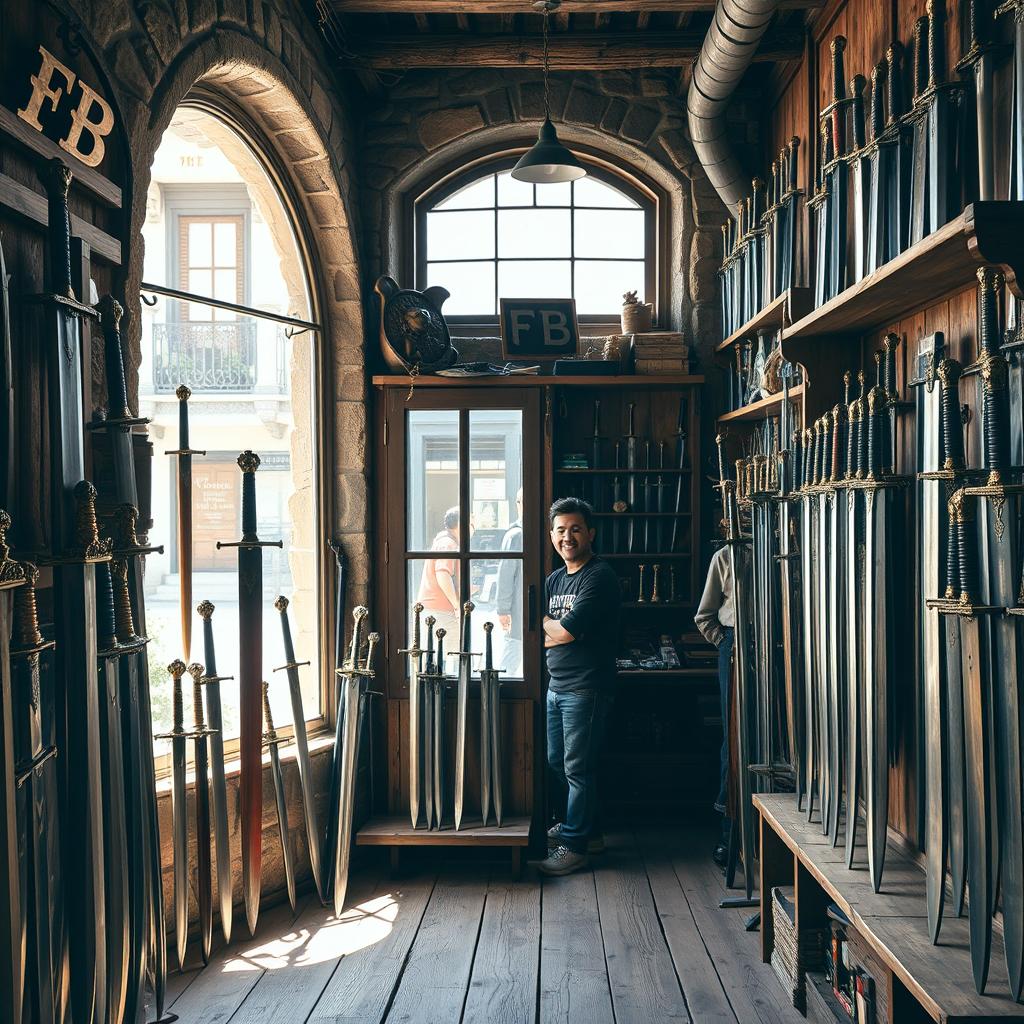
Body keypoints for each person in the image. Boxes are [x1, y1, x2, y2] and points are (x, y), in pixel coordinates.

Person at [539, 496, 620, 876]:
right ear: (552, 536)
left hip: (586, 688)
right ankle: (591, 834)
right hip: (557, 685)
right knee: (560, 763)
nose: (566, 537)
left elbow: (567, 631)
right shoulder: (556, 578)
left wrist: (556, 629)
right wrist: (557, 630)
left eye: (574, 529)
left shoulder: (599, 575)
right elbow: (542, 631)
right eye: (560, 530)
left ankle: (574, 846)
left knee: (578, 769)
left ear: (590, 533)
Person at [694, 537, 737, 868]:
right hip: (736, 643)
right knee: (734, 738)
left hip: (784, 643)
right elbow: (705, 615)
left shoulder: (794, 546)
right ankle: (731, 835)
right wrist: (727, 643)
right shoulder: (726, 556)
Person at [416, 506, 461, 640]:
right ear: (459, 524)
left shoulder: (444, 541)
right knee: (452, 655)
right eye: (471, 523)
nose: (473, 528)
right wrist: (457, 605)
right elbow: (443, 574)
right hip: (440, 609)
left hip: (435, 608)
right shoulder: (448, 544)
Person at [495, 488, 523, 676]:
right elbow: (504, 575)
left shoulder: (517, 534)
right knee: (511, 652)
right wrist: (503, 609)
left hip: (522, 606)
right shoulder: (516, 535)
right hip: (518, 608)